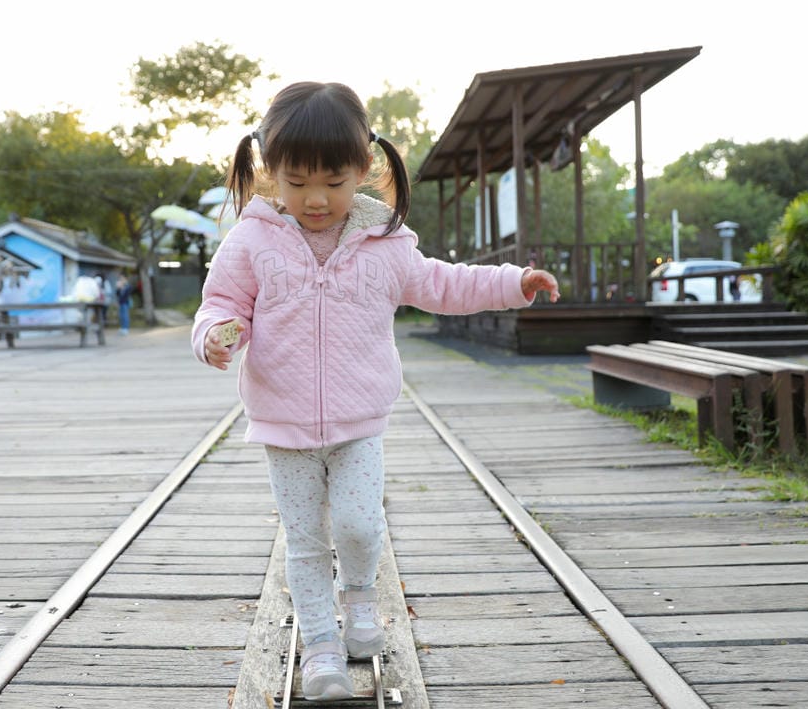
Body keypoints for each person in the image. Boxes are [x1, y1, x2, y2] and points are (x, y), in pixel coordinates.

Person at [191, 82, 559, 701]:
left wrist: (512, 282)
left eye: (333, 182)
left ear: (364, 168)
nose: (315, 199)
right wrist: (215, 337)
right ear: (270, 171)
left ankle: (360, 602)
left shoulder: (384, 243)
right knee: (305, 541)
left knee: (360, 526)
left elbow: (444, 284)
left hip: (361, 420)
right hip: (283, 424)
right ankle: (322, 645)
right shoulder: (251, 242)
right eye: (297, 181)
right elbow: (221, 306)